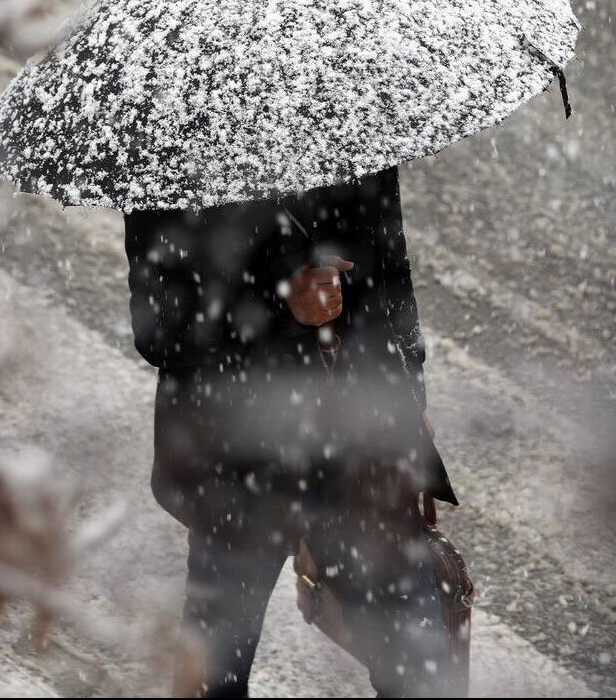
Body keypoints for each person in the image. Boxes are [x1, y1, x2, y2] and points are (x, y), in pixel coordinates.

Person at [123, 166, 457, 698]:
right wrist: (282, 304)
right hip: (238, 462)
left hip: (361, 450)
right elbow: (159, 326)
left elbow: (390, 269)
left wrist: (411, 393)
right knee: (214, 677)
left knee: (424, 676)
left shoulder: (350, 107)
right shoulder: (174, 150)